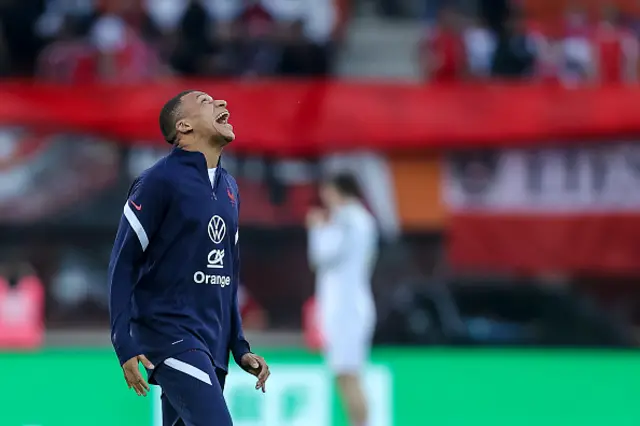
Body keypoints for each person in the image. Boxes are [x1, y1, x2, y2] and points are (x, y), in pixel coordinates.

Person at [108, 90, 270, 426]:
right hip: (169, 334)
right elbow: (123, 263)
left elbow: (228, 272)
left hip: (213, 340)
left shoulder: (230, 187)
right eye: (207, 102)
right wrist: (122, 339)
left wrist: (239, 345)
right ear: (183, 126)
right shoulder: (157, 181)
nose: (223, 103)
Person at [306, 174, 378, 426]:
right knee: (343, 376)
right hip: (344, 307)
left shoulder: (349, 219)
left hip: (348, 311)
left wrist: (317, 228)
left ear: (339, 191)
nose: (325, 198)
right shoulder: (359, 220)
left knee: (349, 375)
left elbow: (321, 255)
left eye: (327, 191)